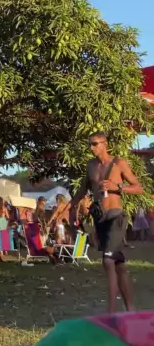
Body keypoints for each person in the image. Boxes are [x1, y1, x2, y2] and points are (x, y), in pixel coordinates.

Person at [70, 131, 143, 313]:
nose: (92, 147)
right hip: (100, 218)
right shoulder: (91, 166)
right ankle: (131, 309)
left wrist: (118, 187)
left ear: (105, 144)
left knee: (108, 261)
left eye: (95, 143)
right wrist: (70, 207)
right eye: (90, 144)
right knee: (119, 264)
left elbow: (138, 187)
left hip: (116, 216)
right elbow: (82, 190)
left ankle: (111, 313)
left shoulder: (119, 163)